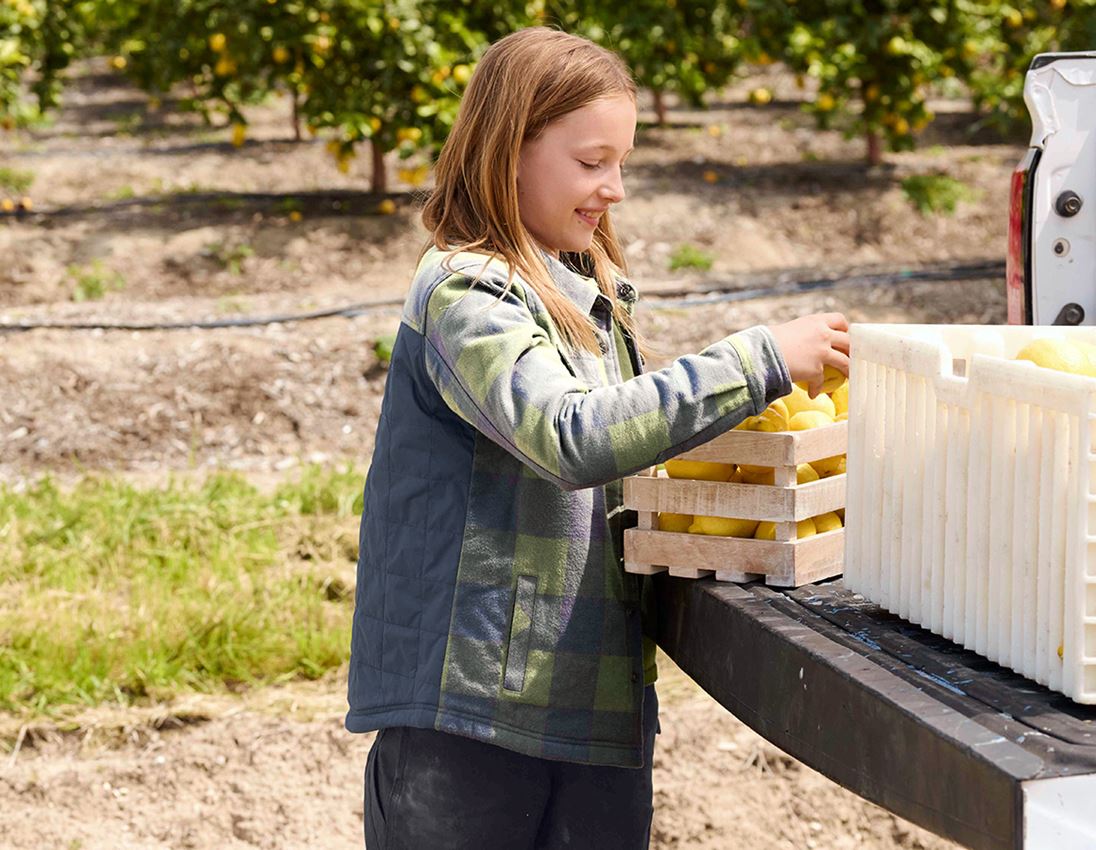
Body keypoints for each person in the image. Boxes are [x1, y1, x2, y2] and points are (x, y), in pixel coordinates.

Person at [346, 26, 850, 850]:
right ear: (510, 151)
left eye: (621, 163)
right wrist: (755, 360)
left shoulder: (583, 289)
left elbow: (628, 436)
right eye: (591, 163)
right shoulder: (468, 292)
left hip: (588, 705)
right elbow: (571, 436)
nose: (613, 188)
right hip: (475, 714)